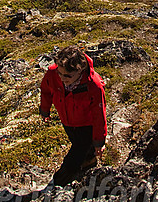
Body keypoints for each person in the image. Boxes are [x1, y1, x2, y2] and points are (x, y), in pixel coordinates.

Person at [39, 46, 107, 186]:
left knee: (74, 156)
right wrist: (44, 110)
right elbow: (46, 90)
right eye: (60, 74)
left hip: (86, 125)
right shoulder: (52, 73)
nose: (63, 79)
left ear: (80, 70)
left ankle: (58, 183)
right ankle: (89, 161)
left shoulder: (93, 85)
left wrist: (99, 141)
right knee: (78, 145)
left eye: (68, 76)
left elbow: (99, 115)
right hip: (67, 121)